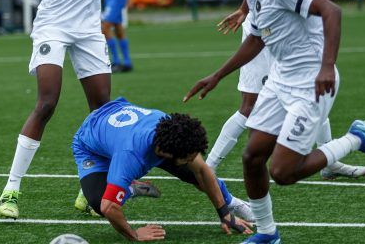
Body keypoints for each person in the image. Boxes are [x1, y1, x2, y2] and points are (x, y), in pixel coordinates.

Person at [0, 0, 209, 219]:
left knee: (103, 113)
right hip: (53, 26)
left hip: (89, 30)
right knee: (47, 102)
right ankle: (12, 190)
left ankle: (90, 189)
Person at [184, 0, 365, 244]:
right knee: (252, 157)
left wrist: (326, 66)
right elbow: (255, 40)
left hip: (311, 83)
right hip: (280, 80)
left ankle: (354, 139)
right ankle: (268, 234)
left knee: (282, 172)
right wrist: (217, 75)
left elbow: (331, 11)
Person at [205, 0, 365, 181]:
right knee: (249, 106)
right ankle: (210, 166)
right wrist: (245, 11)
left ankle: (329, 160)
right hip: (263, 30)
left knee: (310, 93)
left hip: (284, 29)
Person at [73, 97, 253, 241]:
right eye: (188, 158)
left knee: (197, 175)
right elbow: (109, 207)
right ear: (166, 154)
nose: (193, 161)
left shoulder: (172, 134)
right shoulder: (131, 156)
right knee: (99, 202)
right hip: (91, 146)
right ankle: (130, 187)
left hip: (120, 128)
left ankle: (235, 203)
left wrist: (225, 214)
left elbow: (203, 172)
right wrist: (134, 235)